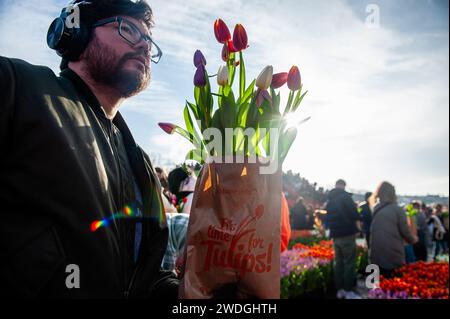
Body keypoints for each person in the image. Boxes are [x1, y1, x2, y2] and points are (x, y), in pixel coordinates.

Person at [0, 0, 178, 298]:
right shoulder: (16, 85)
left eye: (149, 41)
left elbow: (151, 277)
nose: (145, 47)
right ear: (76, 34)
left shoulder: (142, 164)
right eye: (129, 29)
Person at [369, 182, 418, 276]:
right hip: (392, 254)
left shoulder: (375, 208)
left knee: (378, 283)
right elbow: (405, 232)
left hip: (376, 253)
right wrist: (414, 239)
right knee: (393, 284)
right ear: (392, 194)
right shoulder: (397, 210)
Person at [325, 179, 361, 299]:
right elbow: (355, 215)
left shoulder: (329, 201)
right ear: (344, 186)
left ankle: (339, 290)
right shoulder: (346, 197)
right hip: (347, 234)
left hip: (335, 235)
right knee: (349, 263)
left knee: (338, 263)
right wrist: (358, 229)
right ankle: (348, 290)